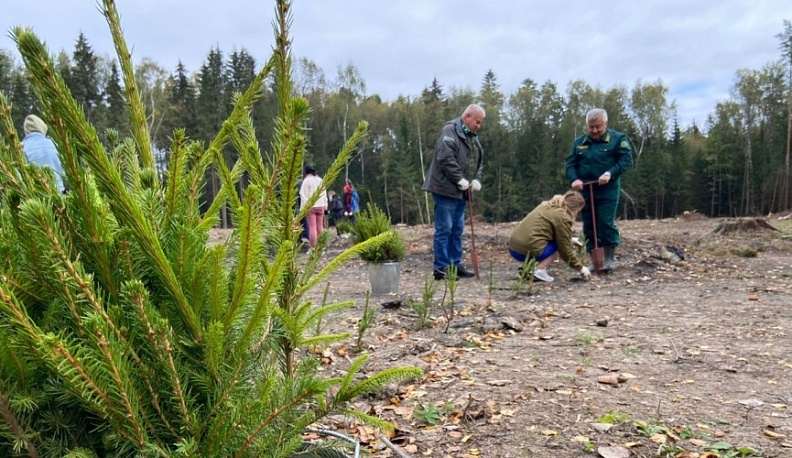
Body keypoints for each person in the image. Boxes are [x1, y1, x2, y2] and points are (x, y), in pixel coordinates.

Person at [422, 104, 485, 280]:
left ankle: (455, 264)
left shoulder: (471, 137)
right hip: (444, 189)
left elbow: (477, 160)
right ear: (467, 117)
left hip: (461, 192)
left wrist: (476, 179)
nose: (478, 126)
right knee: (445, 229)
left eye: (480, 123)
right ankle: (441, 268)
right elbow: (445, 158)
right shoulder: (450, 131)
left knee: (457, 229)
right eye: (477, 122)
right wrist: (459, 179)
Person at [564, 108, 632, 271]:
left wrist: (610, 173)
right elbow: (570, 165)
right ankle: (595, 260)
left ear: (605, 124)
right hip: (585, 190)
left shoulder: (617, 139)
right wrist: (574, 179)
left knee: (605, 222)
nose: (594, 130)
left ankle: (608, 259)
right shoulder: (579, 143)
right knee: (589, 225)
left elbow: (626, 160)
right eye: (591, 127)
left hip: (607, 189)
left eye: (598, 127)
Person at [508, 191, 591, 283]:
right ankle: (539, 271)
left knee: (539, 241)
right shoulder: (563, 216)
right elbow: (564, 248)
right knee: (558, 246)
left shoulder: (546, 205)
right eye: (578, 211)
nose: (577, 214)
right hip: (528, 250)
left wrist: (570, 239)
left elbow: (542, 232)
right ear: (576, 207)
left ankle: (527, 268)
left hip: (513, 248)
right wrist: (580, 267)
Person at [21, 114, 65, 193]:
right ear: (42, 128)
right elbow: (63, 170)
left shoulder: (22, 147)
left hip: (35, 195)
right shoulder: (53, 144)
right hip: (58, 190)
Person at [299, 165, 328, 248]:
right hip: (321, 205)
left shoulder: (306, 181)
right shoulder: (320, 180)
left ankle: (313, 248)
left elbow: (303, 194)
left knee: (312, 227)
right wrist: (325, 205)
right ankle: (321, 246)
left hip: (311, 206)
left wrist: (303, 208)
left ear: (306, 172)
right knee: (320, 227)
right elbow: (324, 193)